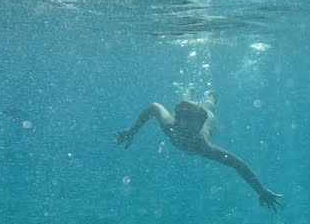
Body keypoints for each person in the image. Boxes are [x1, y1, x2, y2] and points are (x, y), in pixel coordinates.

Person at [114, 90, 284, 211]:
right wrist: (132, 130)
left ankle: (210, 96)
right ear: (178, 120)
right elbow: (154, 107)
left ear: (199, 127)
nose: (188, 132)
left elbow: (238, 164)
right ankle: (189, 92)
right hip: (195, 117)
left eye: (193, 129)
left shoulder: (204, 147)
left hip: (209, 119)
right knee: (187, 102)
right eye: (185, 125)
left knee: (208, 108)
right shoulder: (170, 126)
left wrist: (260, 190)